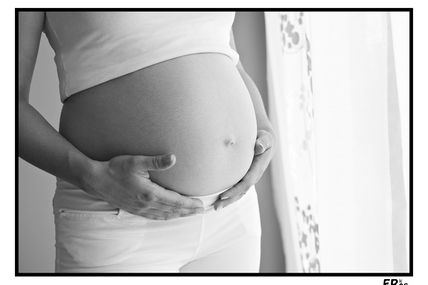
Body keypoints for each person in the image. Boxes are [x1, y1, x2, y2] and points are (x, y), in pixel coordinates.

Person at [18, 11, 275, 273]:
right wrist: (90, 176)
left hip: (231, 215)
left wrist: (263, 125)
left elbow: (227, 53)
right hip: (119, 219)